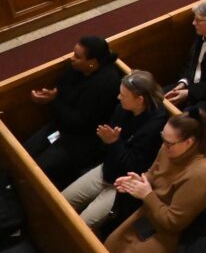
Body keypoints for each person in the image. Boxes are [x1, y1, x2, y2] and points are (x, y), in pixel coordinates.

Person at [104, 110, 206, 253]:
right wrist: (138, 181)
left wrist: (147, 195)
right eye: (163, 138)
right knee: (108, 248)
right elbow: (153, 174)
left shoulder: (203, 173)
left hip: (170, 238)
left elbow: (173, 222)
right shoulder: (169, 149)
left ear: (189, 142)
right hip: (149, 216)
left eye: (169, 143)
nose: (164, 145)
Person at [62, 70, 167, 228]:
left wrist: (114, 143)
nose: (118, 97)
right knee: (62, 201)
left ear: (139, 100)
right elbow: (109, 143)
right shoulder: (122, 109)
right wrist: (110, 142)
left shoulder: (155, 126)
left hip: (125, 184)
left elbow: (133, 166)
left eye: (123, 95)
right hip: (108, 168)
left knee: (82, 225)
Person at [23, 35, 123, 187]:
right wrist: (52, 95)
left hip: (84, 139)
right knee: (25, 152)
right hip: (62, 126)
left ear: (92, 62)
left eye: (77, 56)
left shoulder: (105, 84)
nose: (72, 58)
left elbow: (81, 123)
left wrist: (53, 102)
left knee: (38, 170)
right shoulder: (77, 68)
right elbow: (63, 86)